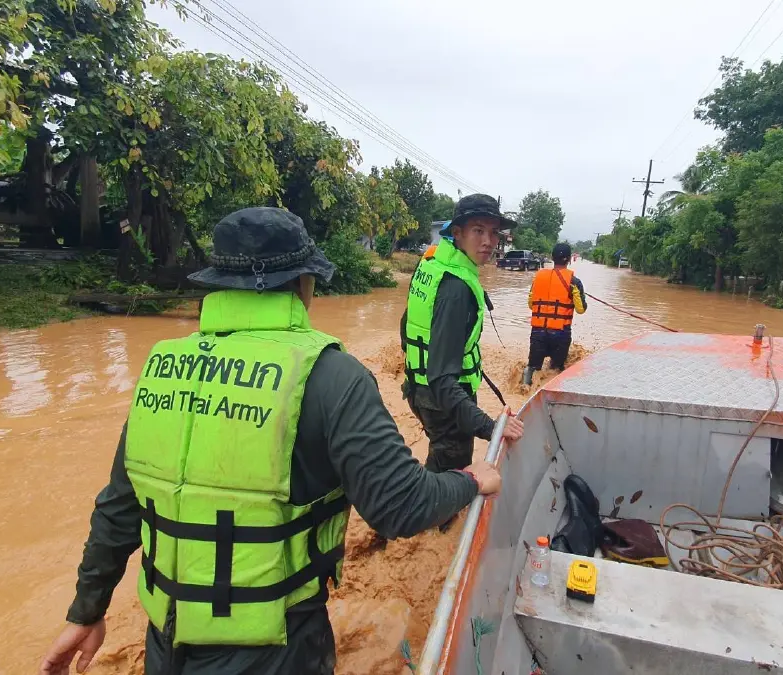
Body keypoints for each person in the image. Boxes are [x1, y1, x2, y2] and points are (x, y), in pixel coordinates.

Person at [39, 207, 503, 675]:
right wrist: (470, 478)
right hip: (277, 651)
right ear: (304, 284)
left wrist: (87, 611)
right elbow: (402, 506)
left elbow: (120, 505)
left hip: (165, 646)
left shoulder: (162, 368)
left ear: (217, 283)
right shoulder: (331, 375)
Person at [400, 194, 526, 487]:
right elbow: (443, 381)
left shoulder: (434, 262)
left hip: (418, 389)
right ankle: (431, 523)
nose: (489, 241)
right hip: (441, 400)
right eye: (478, 230)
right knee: (450, 478)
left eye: (494, 232)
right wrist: (493, 428)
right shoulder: (457, 289)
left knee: (440, 457)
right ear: (457, 233)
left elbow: (406, 324)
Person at [523, 242, 587, 386]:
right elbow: (581, 309)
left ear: (552, 258)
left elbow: (531, 304)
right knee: (556, 371)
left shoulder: (538, 278)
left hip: (538, 332)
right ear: (569, 259)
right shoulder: (574, 282)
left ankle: (523, 390)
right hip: (560, 334)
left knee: (532, 368)